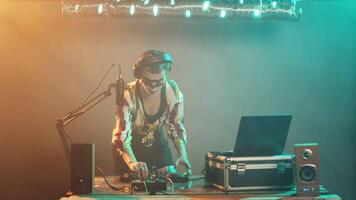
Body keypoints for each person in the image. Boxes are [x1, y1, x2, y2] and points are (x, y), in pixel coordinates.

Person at [112, 49, 191, 180]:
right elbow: (122, 137)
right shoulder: (127, 94)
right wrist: (132, 163)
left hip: (157, 144)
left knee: (169, 180)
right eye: (148, 81)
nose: (154, 86)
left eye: (159, 82)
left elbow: (176, 126)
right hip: (129, 148)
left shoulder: (173, 91)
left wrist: (183, 155)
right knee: (129, 187)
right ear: (139, 75)